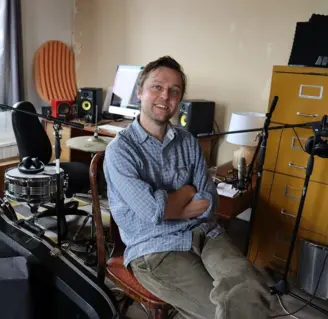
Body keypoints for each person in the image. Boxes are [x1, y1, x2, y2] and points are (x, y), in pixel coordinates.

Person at [103, 56, 273, 319]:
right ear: (139, 92)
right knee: (221, 311)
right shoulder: (120, 151)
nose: (165, 96)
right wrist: (187, 191)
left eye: (174, 90)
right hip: (155, 248)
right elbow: (152, 211)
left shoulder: (188, 142)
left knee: (251, 289)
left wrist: (172, 206)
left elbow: (209, 202)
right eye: (157, 87)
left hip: (206, 236)